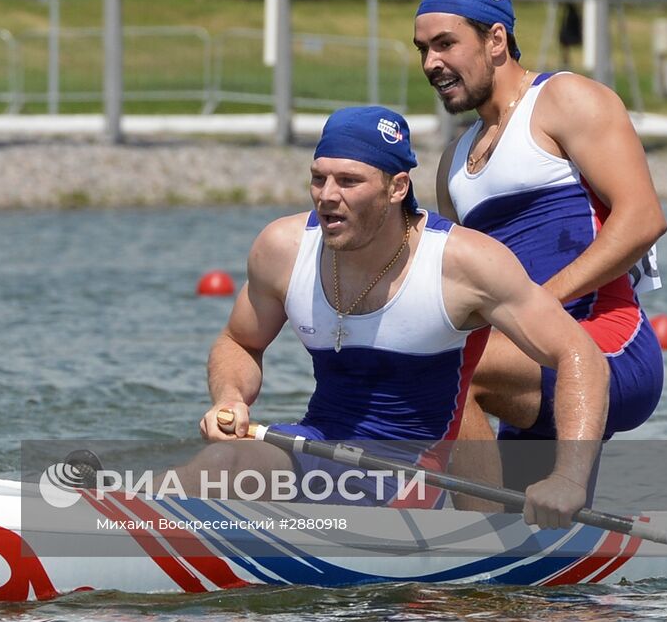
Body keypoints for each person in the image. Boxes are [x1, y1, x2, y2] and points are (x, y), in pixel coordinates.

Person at [177, 106, 608, 528]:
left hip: (408, 477)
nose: (327, 196)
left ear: (397, 187)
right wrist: (231, 398)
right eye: (318, 178)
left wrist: (567, 478)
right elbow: (240, 341)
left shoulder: (464, 263)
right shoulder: (282, 249)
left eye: (348, 181)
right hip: (315, 446)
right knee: (225, 461)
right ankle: (119, 520)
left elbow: (579, 355)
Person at [414, 0, 666, 507]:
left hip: (608, 344)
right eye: (423, 49)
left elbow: (643, 219)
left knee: (455, 368)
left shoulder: (565, 99)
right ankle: (493, 560)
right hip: (527, 358)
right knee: (536, 525)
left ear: (496, 40)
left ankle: (472, 548)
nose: (431, 63)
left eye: (445, 44)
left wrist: (534, 307)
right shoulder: (452, 166)